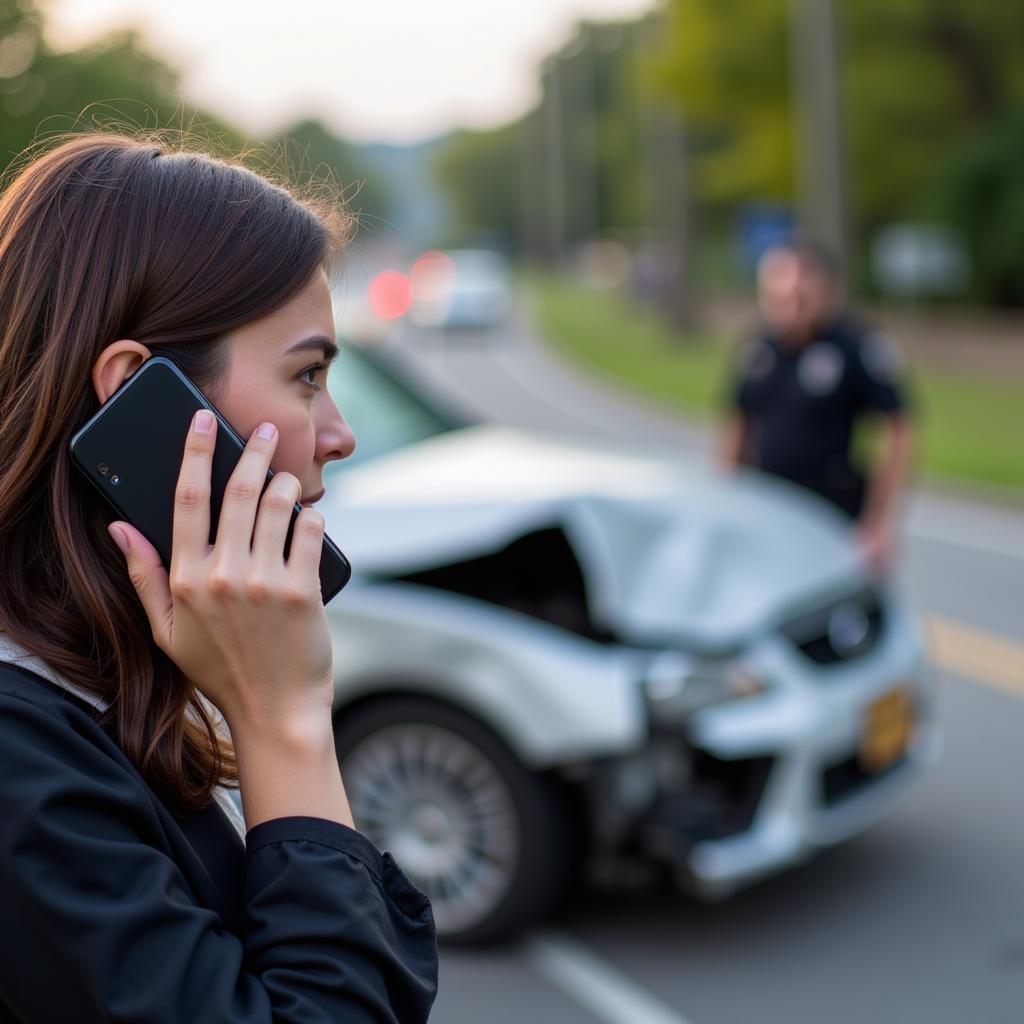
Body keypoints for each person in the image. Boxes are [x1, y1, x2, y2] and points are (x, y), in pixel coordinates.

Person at [0, 133, 437, 1022]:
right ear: (135, 393)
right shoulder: (19, 766)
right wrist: (285, 725)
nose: (340, 430)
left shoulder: (103, 677)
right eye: (308, 375)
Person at [719, 239, 914, 571]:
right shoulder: (757, 350)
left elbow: (898, 430)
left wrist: (878, 522)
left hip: (832, 513)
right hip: (767, 507)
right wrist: (725, 502)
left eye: (800, 298)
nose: (788, 309)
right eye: (777, 298)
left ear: (824, 292)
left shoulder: (857, 347)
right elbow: (736, 424)